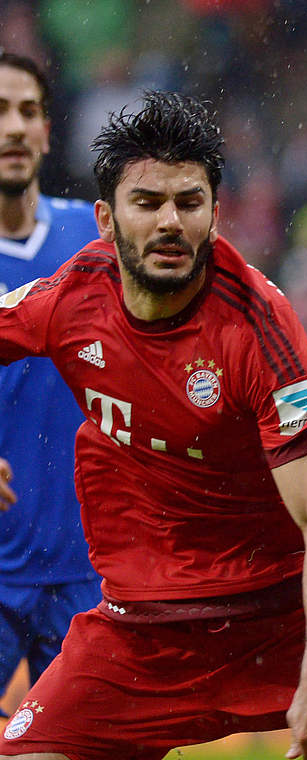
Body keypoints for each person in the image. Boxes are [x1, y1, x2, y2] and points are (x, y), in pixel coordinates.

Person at [0, 91, 307, 760]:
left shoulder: (258, 325)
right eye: (147, 203)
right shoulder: (69, 298)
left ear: (214, 214)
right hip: (142, 633)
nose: (170, 221)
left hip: (285, 615)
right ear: (106, 221)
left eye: (189, 202)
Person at [0, 52, 100, 717]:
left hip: (87, 568)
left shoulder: (95, 239)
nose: (12, 127)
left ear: (46, 129)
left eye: (27, 111)